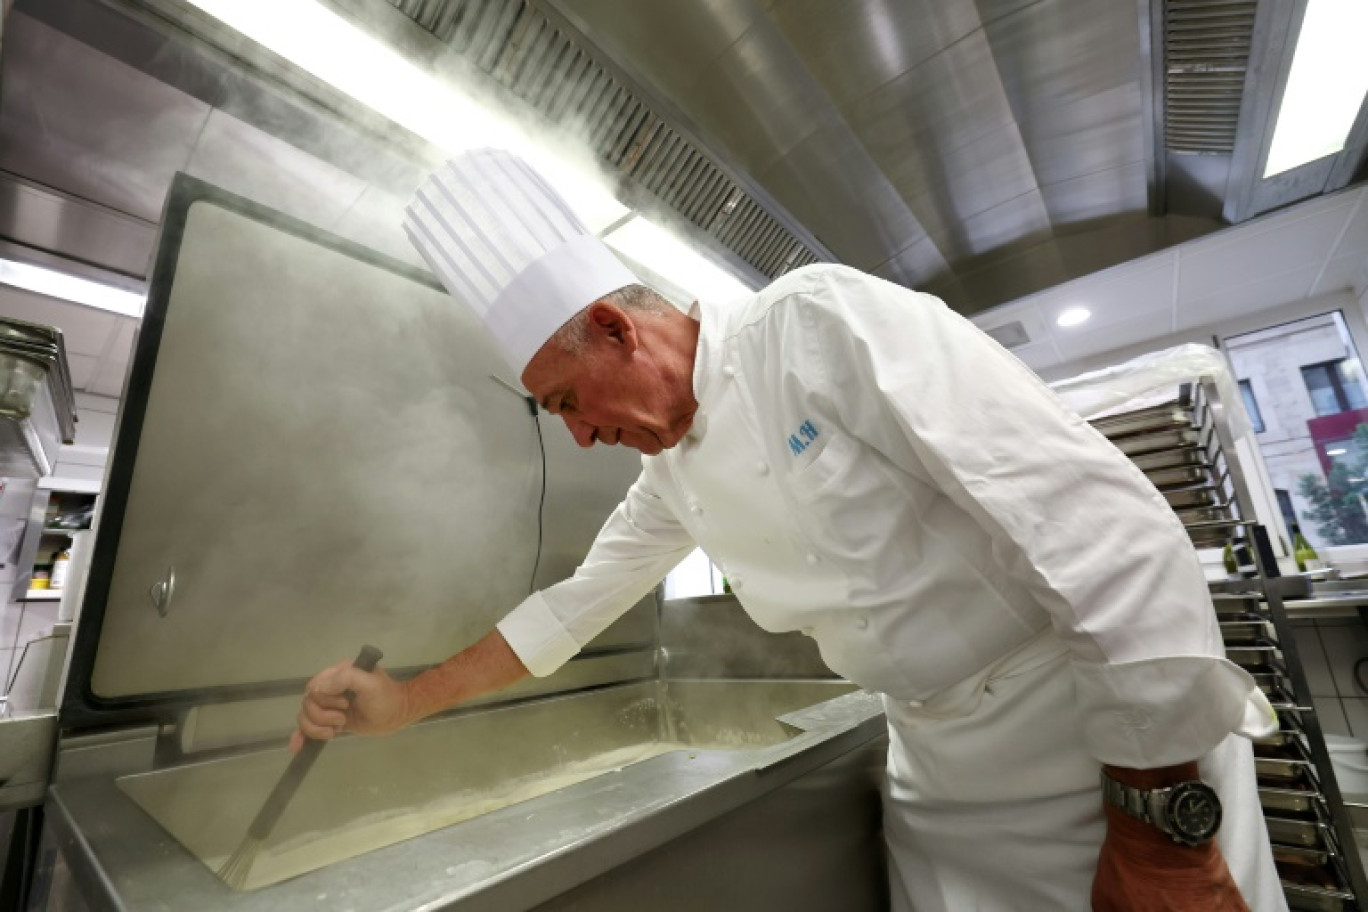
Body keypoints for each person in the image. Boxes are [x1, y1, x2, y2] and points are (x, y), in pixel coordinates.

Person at [293, 149, 1285, 911]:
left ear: (613, 327)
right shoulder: (671, 475)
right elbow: (569, 609)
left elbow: (1106, 529)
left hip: (1097, 745)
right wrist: (407, 701)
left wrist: (1158, 821)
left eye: (565, 403)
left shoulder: (817, 326)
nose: (584, 437)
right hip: (943, 773)